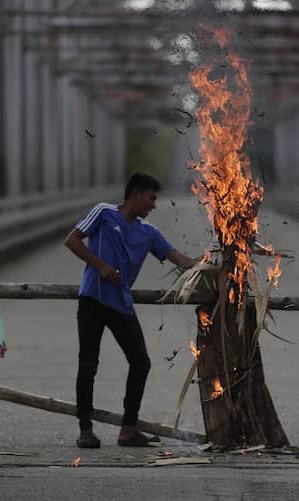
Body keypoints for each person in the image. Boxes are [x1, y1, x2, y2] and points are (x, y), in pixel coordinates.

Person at [65, 173, 200, 449]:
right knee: (88, 364)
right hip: (93, 299)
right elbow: (73, 240)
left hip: (121, 304)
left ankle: (128, 429)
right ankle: (85, 429)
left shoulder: (149, 233)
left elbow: (181, 260)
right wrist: (101, 265)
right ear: (136, 194)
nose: (153, 205)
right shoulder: (103, 213)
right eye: (151, 198)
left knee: (141, 362)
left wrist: (209, 262)